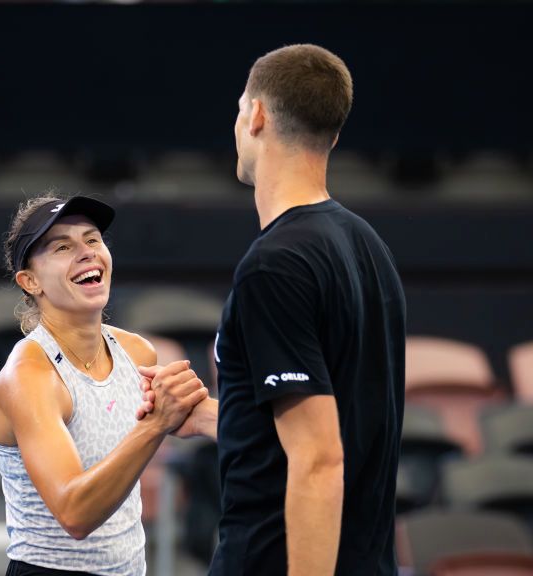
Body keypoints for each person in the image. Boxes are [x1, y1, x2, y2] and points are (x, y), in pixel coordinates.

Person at [138, 44, 406, 575]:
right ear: (332, 133)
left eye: (240, 108)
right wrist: (218, 416)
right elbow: (342, 419)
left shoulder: (275, 267)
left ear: (256, 115)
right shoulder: (367, 245)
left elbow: (319, 459)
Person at [0, 194, 208, 576]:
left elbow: (204, 418)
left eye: (92, 240)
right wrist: (155, 425)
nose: (87, 252)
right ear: (30, 281)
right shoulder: (28, 376)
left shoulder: (137, 352)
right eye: (62, 246)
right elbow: (75, 513)